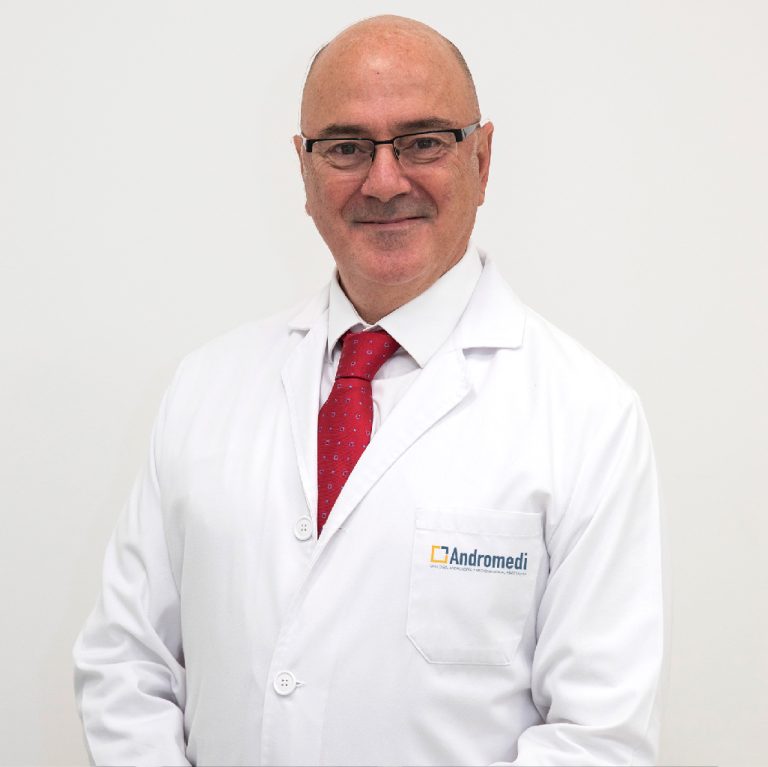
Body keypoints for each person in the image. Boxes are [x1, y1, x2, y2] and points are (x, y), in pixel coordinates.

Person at [73, 14, 665, 766]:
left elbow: (596, 737)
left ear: (482, 158)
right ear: (305, 171)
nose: (385, 181)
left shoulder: (588, 417)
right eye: (347, 148)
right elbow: (126, 665)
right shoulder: (205, 389)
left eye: (423, 141)